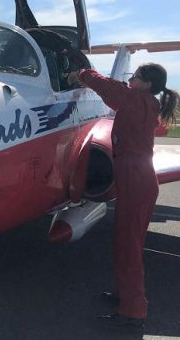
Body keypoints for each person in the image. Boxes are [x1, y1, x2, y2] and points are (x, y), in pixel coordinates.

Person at [67, 64, 179, 328]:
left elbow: (108, 87)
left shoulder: (135, 100)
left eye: (135, 76)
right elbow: (112, 92)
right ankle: (125, 295)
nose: (131, 79)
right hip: (139, 179)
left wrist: (80, 74)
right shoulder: (146, 102)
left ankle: (133, 312)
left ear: (147, 83)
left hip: (135, 179)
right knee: (128, 242)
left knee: (128, 245)